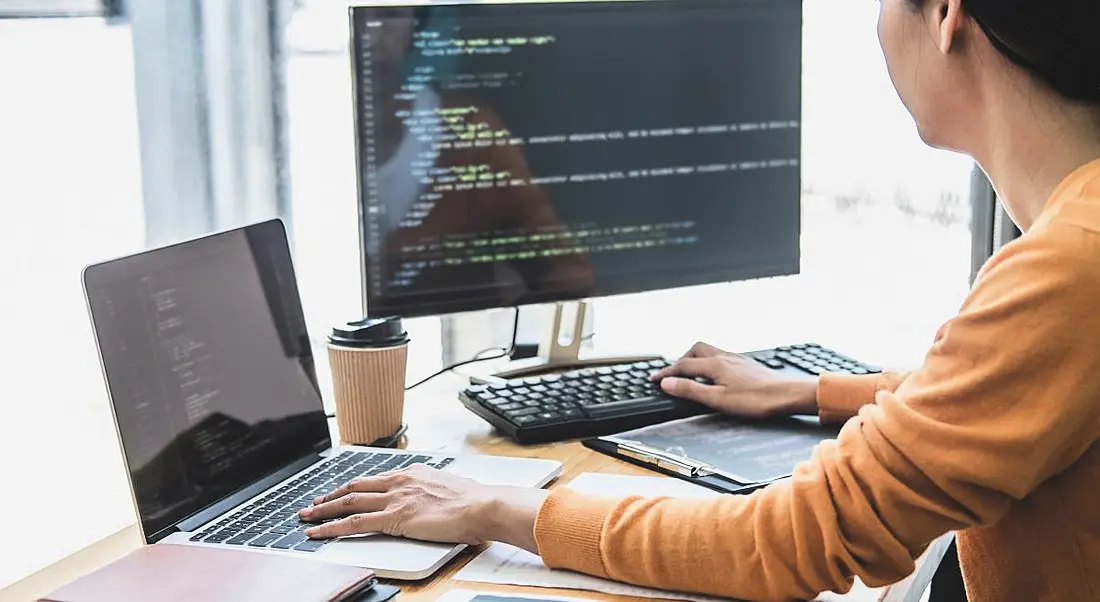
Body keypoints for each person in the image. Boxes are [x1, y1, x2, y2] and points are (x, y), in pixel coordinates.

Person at [301, 1, 1100, 600]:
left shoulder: (1069, 268)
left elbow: (789, 540)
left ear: (949, 15)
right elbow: (1025, 387)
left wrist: (498, 507)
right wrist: (812, 391)